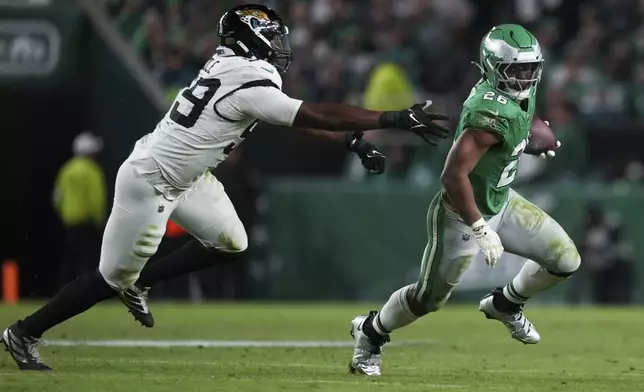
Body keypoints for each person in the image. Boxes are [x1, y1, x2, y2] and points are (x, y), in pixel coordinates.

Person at [1, 4, 450, 371]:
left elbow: (286, 115)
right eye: (271, 37)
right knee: (108, 277)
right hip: (152, 181)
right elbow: (308, 114)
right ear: (251, 38)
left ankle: (140, 283)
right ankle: (24, 332)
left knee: (231, 242)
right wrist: (391, 119)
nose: (279, 46)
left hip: (189, 177)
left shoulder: (231, 66)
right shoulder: (249, 78)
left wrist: (352, 142)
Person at [348, 24, 581, 376]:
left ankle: (505, 304)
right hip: (462, 213)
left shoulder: (517, 93)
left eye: (530, 68)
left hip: (501, 200)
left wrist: (527, 140)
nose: (525, 77)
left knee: (565, 260)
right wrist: (480, 228)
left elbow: (522, 116)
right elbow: (452, 176)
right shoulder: (487, 113)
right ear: (493, 67)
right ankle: (370, 333)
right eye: (516, 70)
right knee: (427, 299)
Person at [53, 132, 107, 289]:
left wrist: (65, 214)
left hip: (70, 222)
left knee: (70, 260)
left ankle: (63, 291)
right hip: (88, 222)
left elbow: (57, 197)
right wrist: (99, 220)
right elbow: (95, 199)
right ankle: (84, 291)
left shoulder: (67, 170)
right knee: (87, 260)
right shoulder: (92, 170)